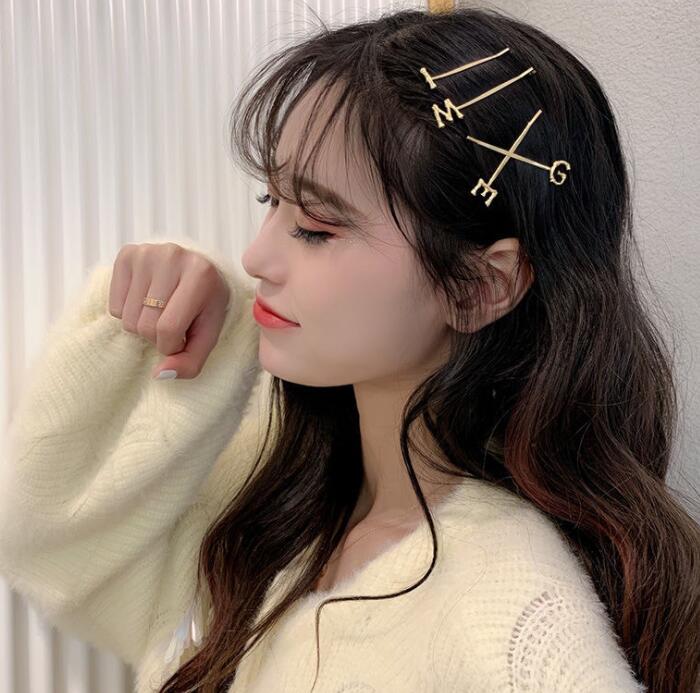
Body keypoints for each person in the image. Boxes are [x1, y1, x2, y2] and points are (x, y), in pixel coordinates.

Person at [1, 6, 698, 693]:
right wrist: (174, 332)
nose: (255, 257)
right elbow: (54, 551)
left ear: (482, 285)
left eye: (315, 226)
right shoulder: (285, 502)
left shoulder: (517, 616)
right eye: (270, 201)